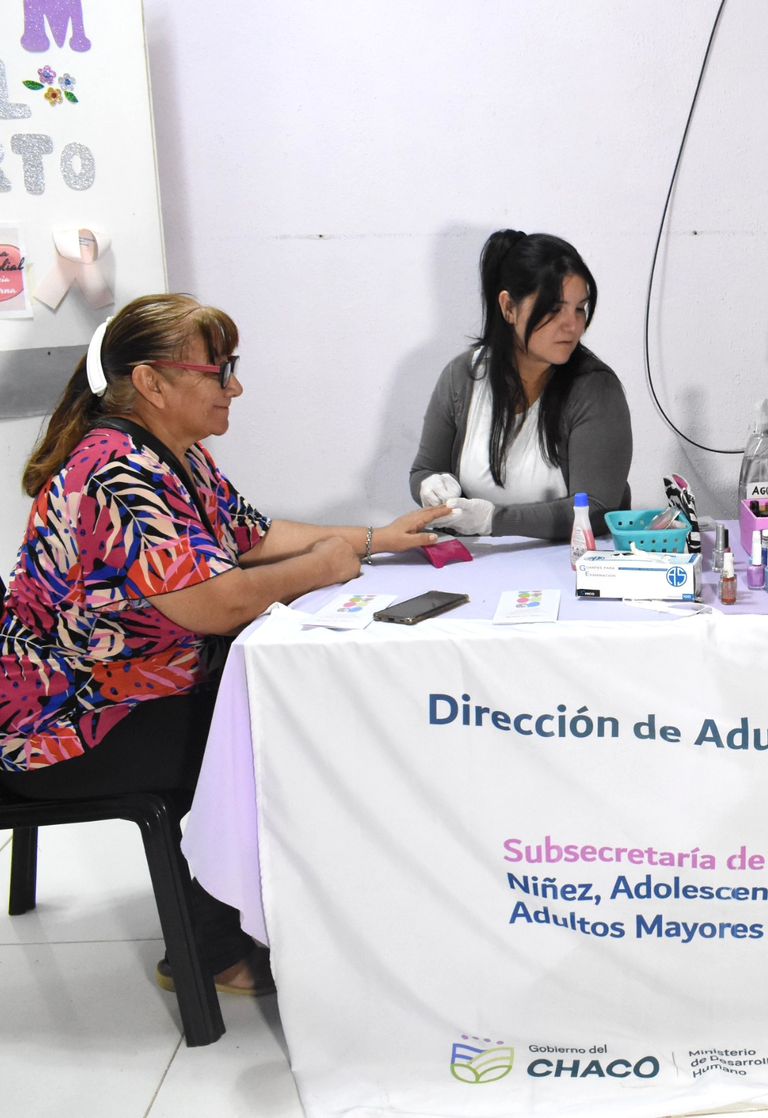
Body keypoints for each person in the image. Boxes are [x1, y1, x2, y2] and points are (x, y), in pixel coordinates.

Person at [0, 294, 446, 995]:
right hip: (65, 726)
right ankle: (210, 954)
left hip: (129, 690)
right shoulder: (115, 474)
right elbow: (218, 604)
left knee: (270, 712)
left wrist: (375, 538)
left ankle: (274, 917)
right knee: (254, 734)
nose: (234, 388)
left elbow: (252, 536)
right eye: (219, 372)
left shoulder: (172, 455)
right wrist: (325, 565)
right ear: (151, 383)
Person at [410, 230, 631, 539]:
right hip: (476, 559)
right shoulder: (462, 377)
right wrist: (429, 485)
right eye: (554, 309)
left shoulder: (595, 389)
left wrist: (493, 521)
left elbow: (597, 508)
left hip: (568, 561)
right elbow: (424, 469)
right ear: (508, 308)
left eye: (579, 308)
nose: (572, 325)